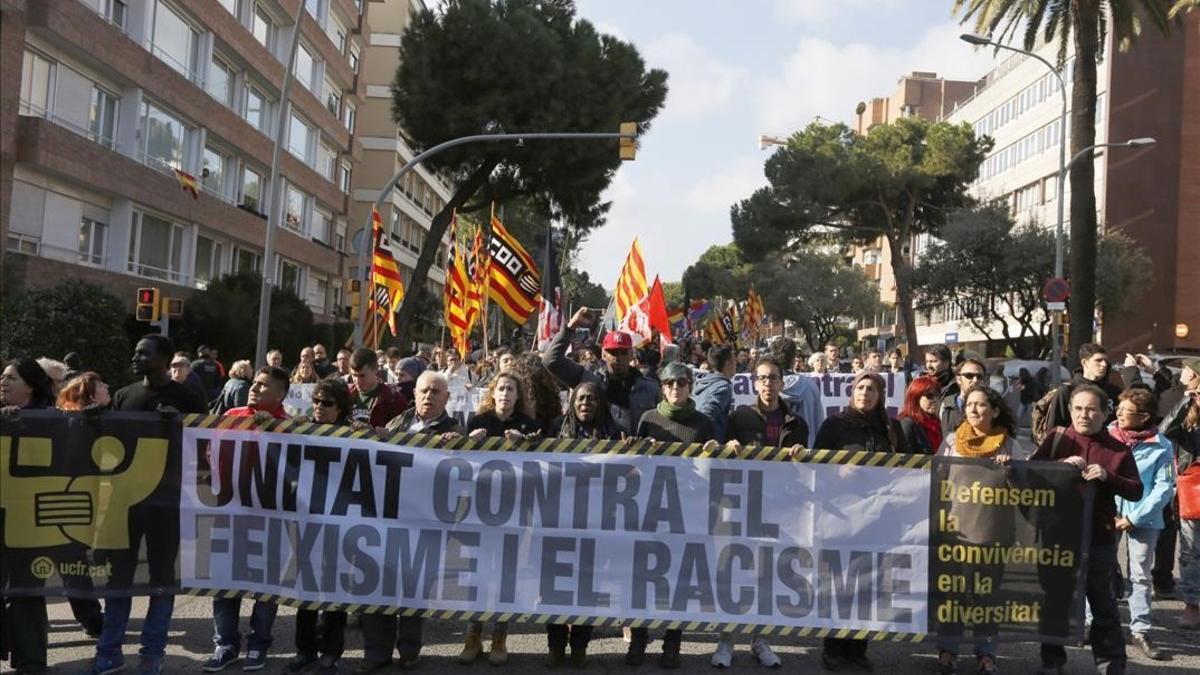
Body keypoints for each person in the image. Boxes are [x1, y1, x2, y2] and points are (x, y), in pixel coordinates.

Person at [86, 334, 206, 675]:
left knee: (161, 578)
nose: (136, 357)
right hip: (126, 504)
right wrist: (95, 424)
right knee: (119, 578)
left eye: (144, 353)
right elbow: (109, 450)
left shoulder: (187, 397)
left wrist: (178, 427)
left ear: (166, 360)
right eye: (136, 352)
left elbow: (202, 451)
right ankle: (108, 651)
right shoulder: (124, 395)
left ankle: (152, 651)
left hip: (167, 505)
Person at [1030, 385, 1142, 675]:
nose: (1084, 415)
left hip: (1099, 540)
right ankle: (1052, 662)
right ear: (1070, 411)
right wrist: (1059, 466)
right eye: (1078, 408)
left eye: (1092, 409)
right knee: (1054, 603)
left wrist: (1108, 476)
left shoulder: (1118, 450)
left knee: (1104, 607)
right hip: (1056, 537)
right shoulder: (1057, 438)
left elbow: (1135, 491)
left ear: (1105, 413)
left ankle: (1111, 665)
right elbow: (1028, 474)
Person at [813, 370, 910, 671]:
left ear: (881, 396)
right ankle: (833, 648)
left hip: (879, 520)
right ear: (852, 392)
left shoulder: (891, 428)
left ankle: (857, 648)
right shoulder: (835, 425)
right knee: (839, 584)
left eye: (871, 389)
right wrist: (837, 469)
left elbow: (908, 467)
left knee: (870, 585)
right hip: (841, 517)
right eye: (860, 388)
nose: (865, 393)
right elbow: (815, 464)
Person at [713, 356, 804, 669]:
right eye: (762, 378)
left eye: (773, 377)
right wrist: (729, 447)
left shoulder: (797, 423)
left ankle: (760, 640)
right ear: (754, 383)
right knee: (735, 571)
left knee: (766, 574)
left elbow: (808, 471)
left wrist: (799, 458)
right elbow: (719, 456)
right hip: (742, 504)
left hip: (778, 507)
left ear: (782, 382)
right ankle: (726, 640)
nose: (768, 383)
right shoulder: (739, 417)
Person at [934, 386, 1029, 674]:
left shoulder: (1010, 446)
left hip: (993, 535)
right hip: (954, 534)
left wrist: (1011, 470)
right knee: (953, 597)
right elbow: (936, 481)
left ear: (995, 411)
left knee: (986, 599)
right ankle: (948, 651)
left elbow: (1026, 491)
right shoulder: (951, 441)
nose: (974, 410)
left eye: (981, 405)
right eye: (970, 404)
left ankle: (986, 654)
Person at [629, 362, 717, 669]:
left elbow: (712, 468)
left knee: (678, 579)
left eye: (681, 383)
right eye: (669, 383)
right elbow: (634, 464)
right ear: (662, 388)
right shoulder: (648, 419)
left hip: (686, 511)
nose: (675, 388)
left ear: (690, 386)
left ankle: (672, 641)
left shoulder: (702, 423)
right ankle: (639, 639)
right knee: (644, 577)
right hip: (650, 509)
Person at [205, 367, 290, 672]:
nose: (254, 388)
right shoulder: (231, 415)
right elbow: (208, 452)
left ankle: (259, 644)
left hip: (269, 519)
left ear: (280, 395)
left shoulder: (288, 427)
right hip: (229, 514)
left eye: (263, 385)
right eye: (253, 382)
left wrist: (276, 429)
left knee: (265, 586)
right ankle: (225, 643)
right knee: (225, 582)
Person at [459, 372, 541, 666]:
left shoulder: (528, 427)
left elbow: (538, 466)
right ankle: (473, 634)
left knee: (506, 574)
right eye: (501, 388)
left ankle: (500, 636)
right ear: (493, 392)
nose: (505, 393)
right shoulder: (477, 423)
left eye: (511, 389)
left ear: (518, 397)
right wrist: (470, 442)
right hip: (479, 511)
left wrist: (525, 444)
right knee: (477, 573)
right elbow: (461, 463)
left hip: (513, 512)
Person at [543, 383, 623, 668]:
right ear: (572, 402)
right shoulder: (555, 427)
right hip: (559, 519)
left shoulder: (614, 434)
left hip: (596, 522)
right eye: (580, 398)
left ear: (599, 403)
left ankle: (579, 645)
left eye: (591, 398)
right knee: (553, 586)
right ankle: (555, 645)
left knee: (588, 586)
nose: (585, 403)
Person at [1, 358, 68, 673]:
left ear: (29, 385)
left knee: (27, 590)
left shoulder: (54, 420)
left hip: (33, 521)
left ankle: (31, 660)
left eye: (10, 378)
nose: (2, 382)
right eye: (1, 377)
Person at [281, 380, 352, 675]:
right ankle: (305, 650)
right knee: (306, 592)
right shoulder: (301, 430)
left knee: (335, 591)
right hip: (306, 521)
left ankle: (331, 654)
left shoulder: (354, 434)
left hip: (340, 523)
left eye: (327, 404)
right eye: (317, 402)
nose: (319, 408)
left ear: (341, 409)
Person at [1108, 388, 1175, 660]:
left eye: (1126, 411)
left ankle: (1140, 630)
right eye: (1118, 409)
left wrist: (1134, 517)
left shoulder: (1162, 445)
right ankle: (1091, 622)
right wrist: (1111, 512)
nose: (1120, 414)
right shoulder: (1108, 435)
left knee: (1140, 575)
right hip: (1107, 514)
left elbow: (1164, 488)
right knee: (1098, 568)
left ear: (1144, 416)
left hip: (1143, 519)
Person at [542, 308, 660, 436]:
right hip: (598, 452)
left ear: (631, 355)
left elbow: (662, 424)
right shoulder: (588, 378)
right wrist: (571, 326)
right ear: (603, 354)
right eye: (613, 353)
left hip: (640, 453)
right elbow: (550, 360)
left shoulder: (650, 388)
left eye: (623, 352)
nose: (618, 358)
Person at [1162, 358, 1200, 630]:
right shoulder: (1186, 407)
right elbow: (1164, 432)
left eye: (1187, 369)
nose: (1182, 373)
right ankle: (1192, 604)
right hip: (1192, 485)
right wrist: (1187, 402)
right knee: (1189, 549)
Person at [1040, 343, 1123, 434]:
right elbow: (1054, 428)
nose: (1104, 364)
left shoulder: (1114, 392)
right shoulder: (1067, 390)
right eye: (1098, 360)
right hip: (1074, 445)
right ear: (1084, 362)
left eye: (1105, 361)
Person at [771, 337, 825, 447]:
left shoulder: (767, 387)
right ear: (793, 359)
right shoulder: (811, 386)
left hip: (774, 455)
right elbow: (819, 423)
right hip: (807, 452)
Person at [348, 348, 409, 427]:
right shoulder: (345, 394)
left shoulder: (393, 399)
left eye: (362, 376)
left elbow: (401, 432)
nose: (357, 381)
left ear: (376, 369)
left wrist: (378, 432)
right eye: (354, 375)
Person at [693, 345, 736, 442]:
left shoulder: (702, 381)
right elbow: (706, 415)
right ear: (728, 363)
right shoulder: (723, 388)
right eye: (735, 361)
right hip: (710, 445)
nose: (736, 364)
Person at [937, 359, 987, 439]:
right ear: (959, 379)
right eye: (969, 376)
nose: (975, 380)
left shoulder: (991, 406)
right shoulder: (945, 405)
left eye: (979, 377)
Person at [898, 375, 943, 454]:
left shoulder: (938, 424)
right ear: (915, 397)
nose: (935, 400)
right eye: (930, 396)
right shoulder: (907, 424)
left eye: (937, 396)